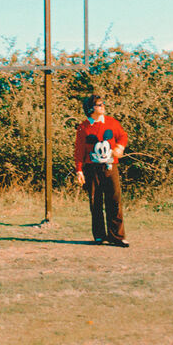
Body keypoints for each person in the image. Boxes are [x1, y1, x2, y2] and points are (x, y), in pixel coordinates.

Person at [75, 94, 130, 247]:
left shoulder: (112, 122)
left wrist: (120, 147)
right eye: (99, 104)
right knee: (96, 202)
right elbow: (79, 150)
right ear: (90, 109)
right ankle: (99, 235)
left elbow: (123, 136)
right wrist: (79, 170)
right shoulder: (84, 127)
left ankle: (117, 236)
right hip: (92, 168)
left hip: (110, 166)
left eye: (103, 103)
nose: (103, 106)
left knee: (114, 200)